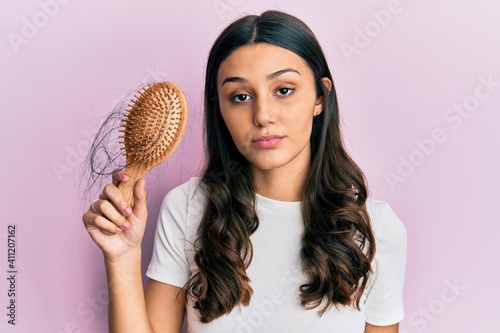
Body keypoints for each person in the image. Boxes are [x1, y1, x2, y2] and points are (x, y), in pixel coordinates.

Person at [82, 10, 407, 333]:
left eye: (283, 90)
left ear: (320, 97)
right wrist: (122, 259)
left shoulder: (377, 230)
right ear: (219, 108)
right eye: (240, 96)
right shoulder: (187, 208)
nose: (263, 115)